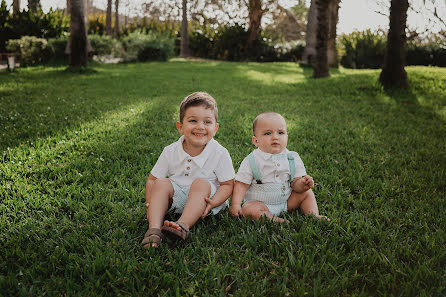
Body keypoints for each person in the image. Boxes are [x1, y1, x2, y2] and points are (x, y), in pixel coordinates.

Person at [141, 92, 235, 248]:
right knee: (161, 182)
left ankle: (182, 226)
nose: (200, 126)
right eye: (193, 121)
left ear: (215, 128)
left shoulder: (219, 153)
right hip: (178, 197)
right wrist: (150, 201)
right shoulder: (170, 151)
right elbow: (152, 179)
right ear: (180, 127)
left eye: (207, 122)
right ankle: (154, 230)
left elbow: (228, 184)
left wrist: (214, 202)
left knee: (200, 183)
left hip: (206, 200)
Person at [229, 112, 328, 223]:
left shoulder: (292, 157)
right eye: (267, 133)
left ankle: (314, 215)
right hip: (260, 204)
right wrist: (235, 204)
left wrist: (303, 184)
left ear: (286, 137)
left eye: (280, 133)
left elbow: (295, 184)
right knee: (249, 209)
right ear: (256, 141)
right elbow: (241, 185)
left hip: (286, 202)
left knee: (307, 193)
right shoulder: (251, 160)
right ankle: (273, 219)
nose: (275, 137)